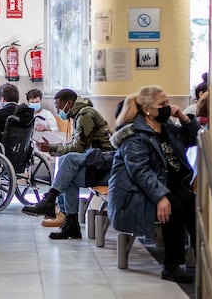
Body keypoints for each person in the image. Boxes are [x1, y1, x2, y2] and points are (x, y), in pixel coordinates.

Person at [108, 85, 199, 283]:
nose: (169, 107)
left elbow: (194, 139)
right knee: (173, 205)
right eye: (163, 104)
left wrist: (183, 118)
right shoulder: (134, 135)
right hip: (137, 192)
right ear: (147, 109)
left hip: (170, 184)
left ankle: (201, 255)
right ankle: (171, 266)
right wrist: (160, 196)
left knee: (190, 200)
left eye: (168, 102)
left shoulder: (168, 127)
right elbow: (141, 172)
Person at [33, 88, 114, 229]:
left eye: (59, 108)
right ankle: (68, 220)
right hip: (95, 161)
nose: (58, 113)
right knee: (67, 170)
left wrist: (53, 149)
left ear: (69, 103)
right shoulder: (80, 115)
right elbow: (77, 145)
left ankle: (52, 202)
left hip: (102, 163)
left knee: (69, 158)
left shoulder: (86, 115)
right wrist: (52, 148)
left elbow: (78, 148)